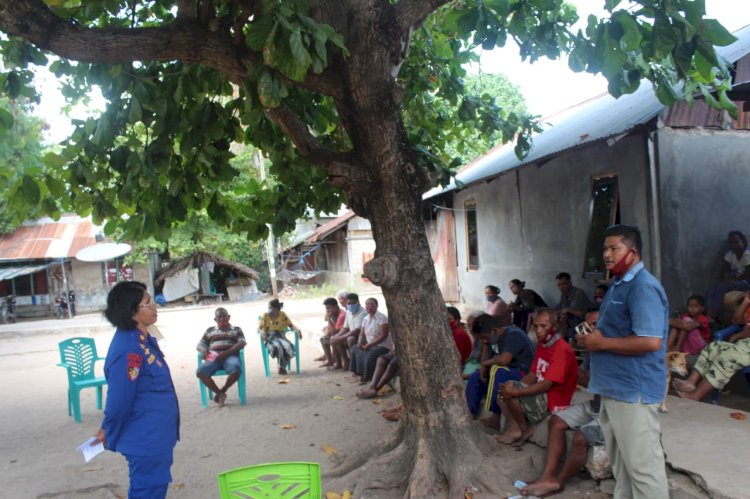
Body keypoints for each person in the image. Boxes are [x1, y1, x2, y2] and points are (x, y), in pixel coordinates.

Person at [576, 224, 669, 499]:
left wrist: (601, 343)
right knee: (623, 468)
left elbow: (651, 341)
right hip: (613, 389)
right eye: (605, 248)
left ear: (633, 251)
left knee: (643, 469)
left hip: (633, 391)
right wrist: (592, 339)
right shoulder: (619, 284)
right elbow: (618, 332)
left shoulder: (642, 287)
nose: (607, 254)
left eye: (614, 248)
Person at [91, 281, 179, 499]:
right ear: (132, 312)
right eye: (147, 303)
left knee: (153, 489)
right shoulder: (128, 349)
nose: (154, 306)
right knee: (147, 492)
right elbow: (119, 400)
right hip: (146, 439)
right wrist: (107, 429)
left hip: (157, 436)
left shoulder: (142, 340)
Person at [520, 310, 602, 497]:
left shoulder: (613, 350)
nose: (589, 330)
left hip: (613, 410)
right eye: (588, 326)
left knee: (580, 438)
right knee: (556, 421)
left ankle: (559, 481)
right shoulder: (591, 352)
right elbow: (585, 381)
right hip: (595, 405)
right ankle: (548, 476)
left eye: (595, 325)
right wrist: (572, 368)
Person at [496, 308, 578, 446]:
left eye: (543, 326)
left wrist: (516, 391)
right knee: (503, 392)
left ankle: (524, 429)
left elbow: (546, 384)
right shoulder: (543, 344)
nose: (538, 330)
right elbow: (533, 374)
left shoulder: (561, 349)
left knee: (510, 390)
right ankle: (515, 427)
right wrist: (514, 386)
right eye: (536, 326)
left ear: (554, 327)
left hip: (554, 400)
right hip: (542, 393)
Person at [464, 314, 536, 428]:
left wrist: (485, 364)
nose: (484, 340)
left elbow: (504, 360)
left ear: (494, 331)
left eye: (484, 337)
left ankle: (495, 417)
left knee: (498, 371)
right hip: (506, 374)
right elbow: (485, 365)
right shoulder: (493, 339)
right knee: (475, 377)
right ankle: (469, 414)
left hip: (524, 375)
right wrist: (486, 346)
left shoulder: (513, 334)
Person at [673, 323, 750, 401]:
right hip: (744, 344)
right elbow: (736, 320)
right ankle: (691, 382)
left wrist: (741, 334)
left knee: (728, 358)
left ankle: (696, 395)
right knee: (714, 346)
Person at [196, 307, 246, 406]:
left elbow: (242, 343)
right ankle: (220, 394)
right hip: (214, 358)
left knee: (236, 369)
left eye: (224, 316)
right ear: (215, 319)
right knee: (200, 372)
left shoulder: (236, 329)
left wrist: (227, 353)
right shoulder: (210, 330)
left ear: (229, 317)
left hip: (230, 356)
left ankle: (223, 390)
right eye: (219, 317)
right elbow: (200, 344)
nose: (222, 319)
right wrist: (203, 350)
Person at [706, 231, 750, 321]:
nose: (734, 245)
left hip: (746, 282)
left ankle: (714, 313)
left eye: (737, 242)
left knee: (722, 287)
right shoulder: (731, 255)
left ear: (743, 242)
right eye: (732, 243)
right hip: (735, 280)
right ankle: (708, 313)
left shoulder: (747, 255)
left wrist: (733, 281)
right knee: (711, 290)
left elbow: (747, 274)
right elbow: (725, 270)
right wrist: (727, 279)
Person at [349, 298, 392, 383]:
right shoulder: (365, 318)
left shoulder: (382, 317)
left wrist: (368, 345)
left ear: (377, 306)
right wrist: (360, 343)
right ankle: (357, 373)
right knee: (355, 348)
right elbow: (362, 334)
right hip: (370, 344)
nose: (369, 306)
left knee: (370, 354)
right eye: (367, 304)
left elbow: (384, 336)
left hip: (382, 345)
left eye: (372, 304)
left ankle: (366, 376)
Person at [258, 299, 302, 375]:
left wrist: (298, 330)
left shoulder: (282, 315)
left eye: (270, 307)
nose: (269, 309)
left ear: (276, 309)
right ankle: (281, 367)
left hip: (281, 336)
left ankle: (281, 367)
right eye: (268, 307)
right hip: (270, 338)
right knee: (277, 346)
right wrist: (262, 333)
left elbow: (291, 325)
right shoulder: (265, 316)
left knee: (288, 346)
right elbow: (259, 328)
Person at [330, 293, 367, 370]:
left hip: (362, 337)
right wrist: (337, 336)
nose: (349, 305)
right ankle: (345, 361)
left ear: (357, 302)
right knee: (335, 339)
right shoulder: (349, 312)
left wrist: (341, 337)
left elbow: (357, 330)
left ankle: (355, 364)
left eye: (351, 303)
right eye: (348, 304)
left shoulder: (363, 313)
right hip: (352, 334)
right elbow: (345, 328)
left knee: (350, 339)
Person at [554, 272, 593, 338]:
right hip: (573, 324)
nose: (561, 287)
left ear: (570, 283)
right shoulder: (563, 295)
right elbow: (557, 309)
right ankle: (566, 340)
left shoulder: (578, 293)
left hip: (585, 324)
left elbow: (571, 310)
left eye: (563, 284)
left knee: (564, 316)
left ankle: (575, 339)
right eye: (559, 285)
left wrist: (563, 311)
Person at [319, 295, 347, 367]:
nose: (328, 310)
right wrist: (328, 315)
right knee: (323, 339)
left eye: (329, 308)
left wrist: (329, 319)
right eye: (326, 308)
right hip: (336, 334)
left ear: (335, 306)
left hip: (343, 336)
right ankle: (330, 361)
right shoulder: (333, 313)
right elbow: (325, 318)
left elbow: (333, 332)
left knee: (333, 339)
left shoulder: (342, 315)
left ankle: (339, 363)